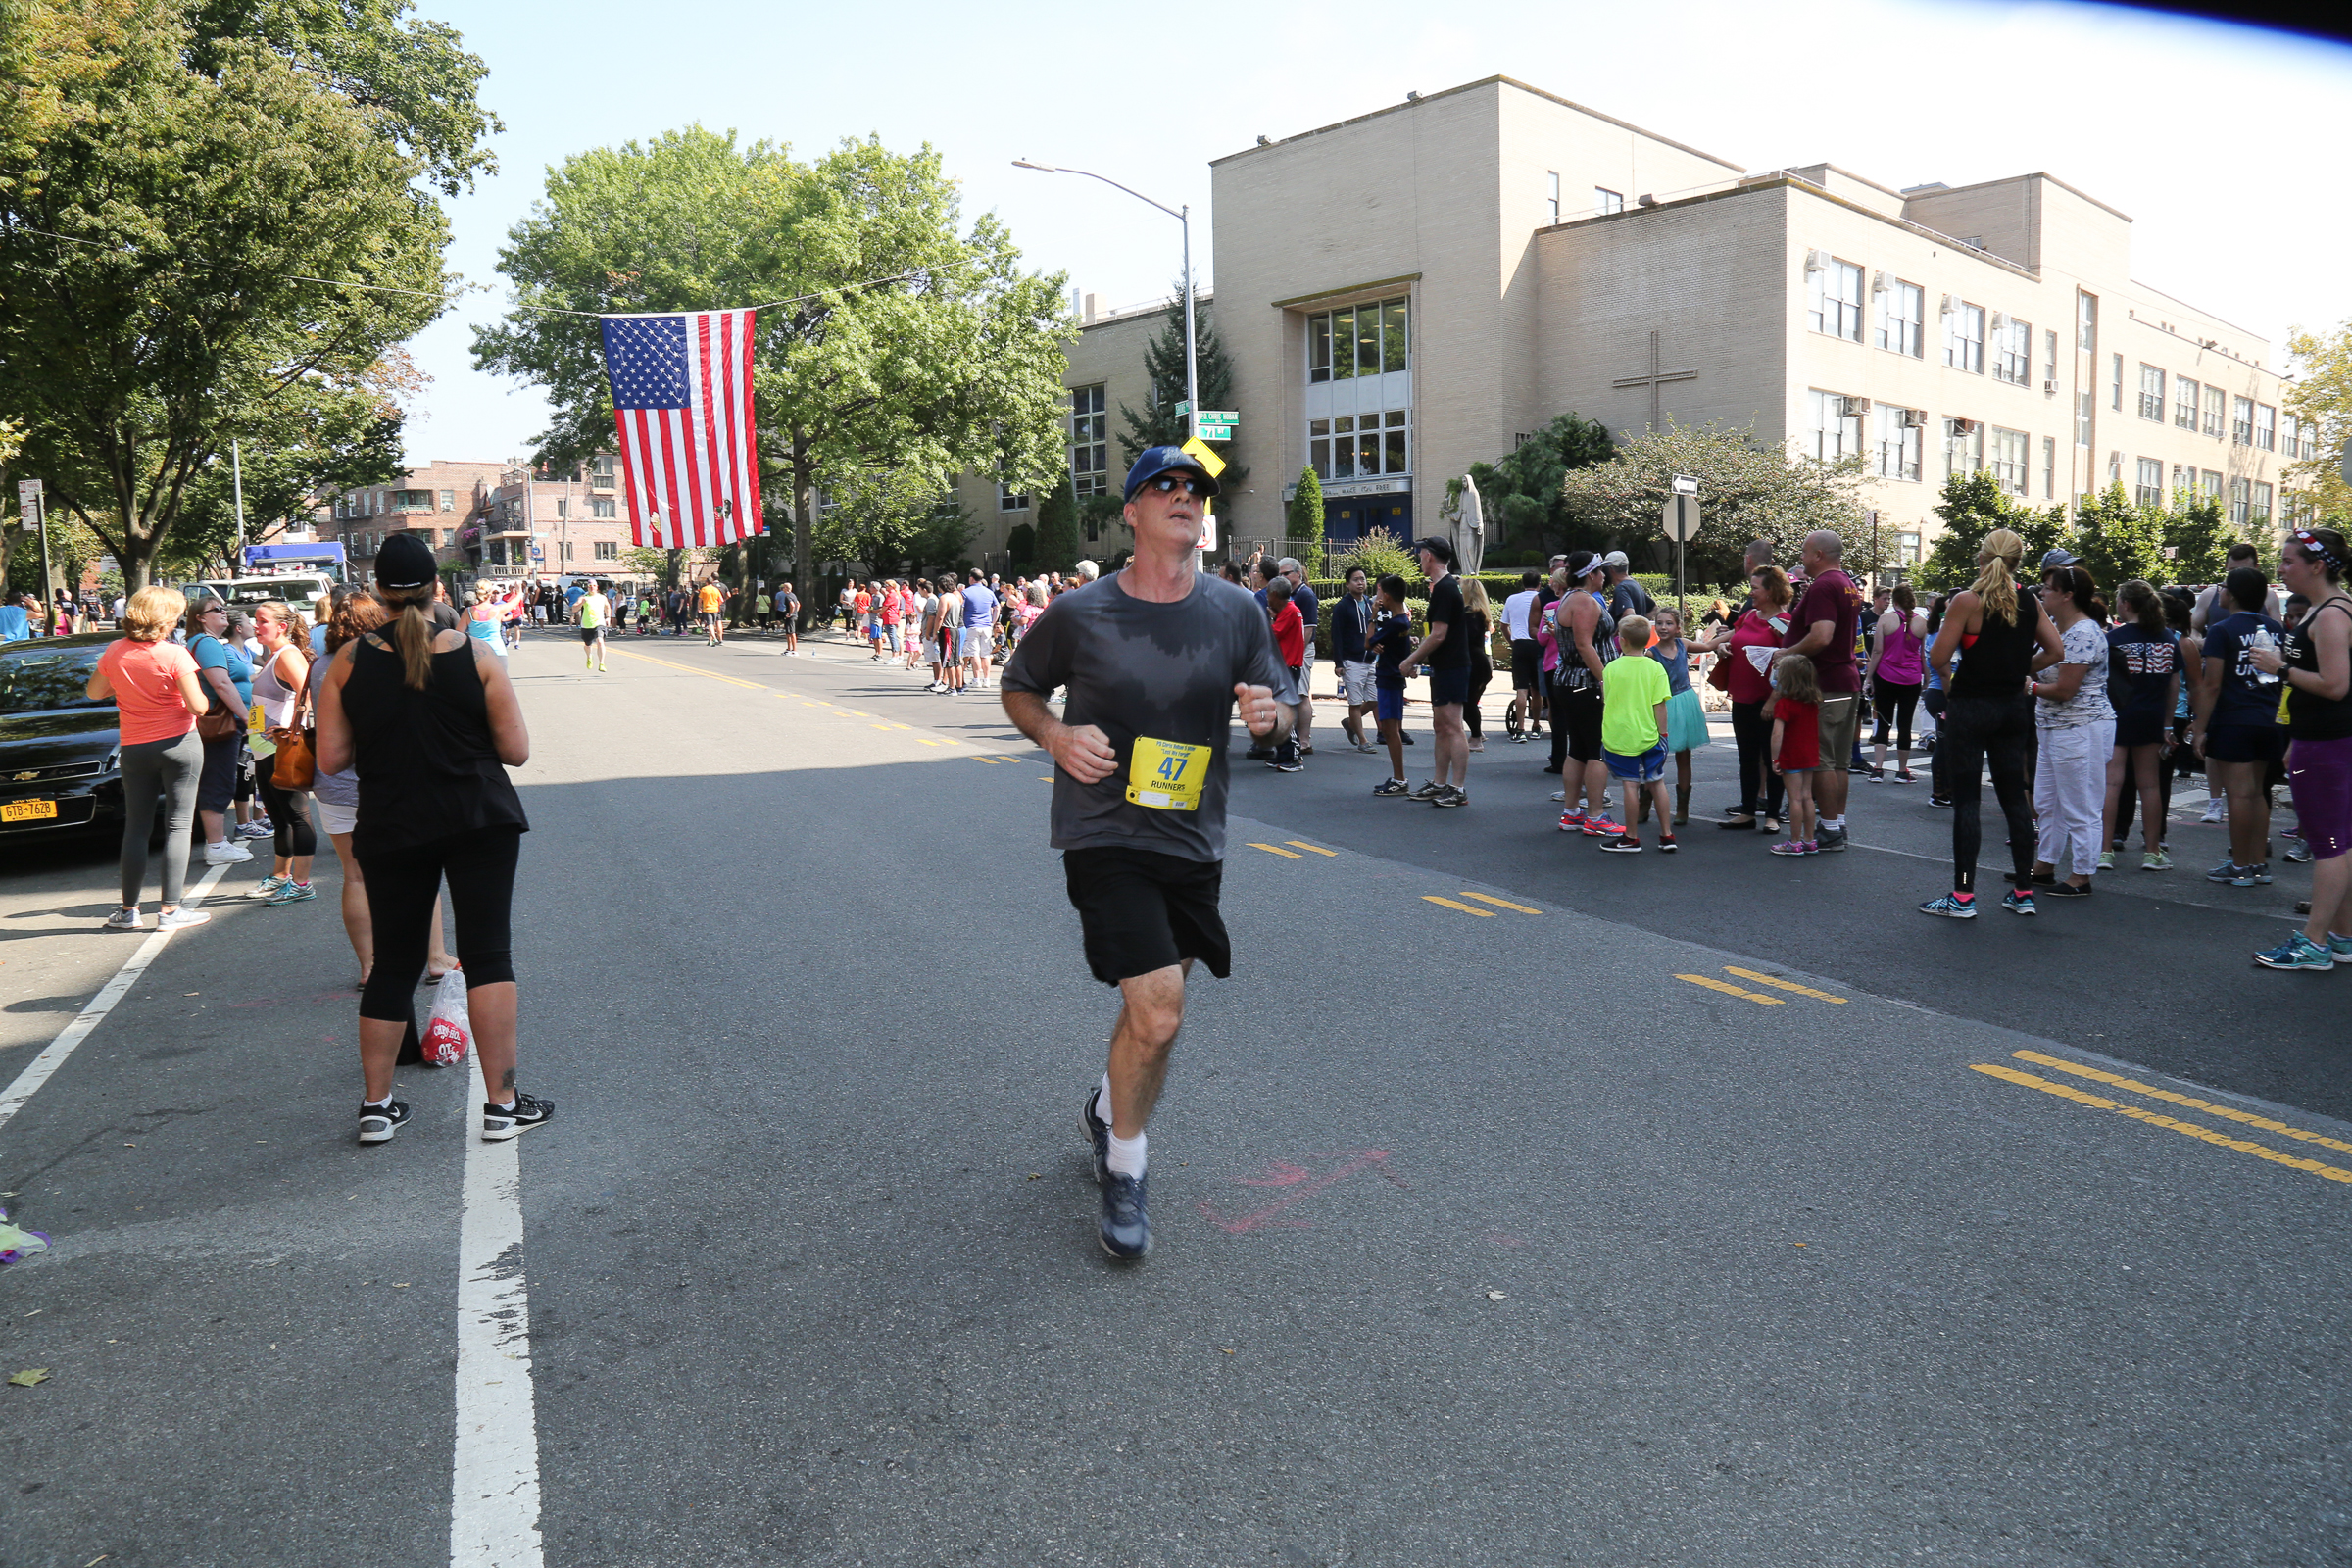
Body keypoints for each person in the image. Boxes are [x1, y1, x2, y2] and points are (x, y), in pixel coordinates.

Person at [998, 444, 1291, 1260]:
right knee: (1160, 1010)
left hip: (1192, 837)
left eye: (1194, 487)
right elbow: (1019, 686)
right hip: (1104, 831)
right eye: (1164, 486)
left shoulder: (1236, 611)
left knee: (1151, 1014)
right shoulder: (1082, 612)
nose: (1183, 495)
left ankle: (1106, 1108)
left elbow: (1283, 706)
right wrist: (1057, 736)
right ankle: (1125, 1164)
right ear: (1131, 512)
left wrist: (1274, 718)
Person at [315, 534, 546, 1147]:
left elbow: (331, 760)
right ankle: (502, 1105)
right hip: (479, 816)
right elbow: (517, 751)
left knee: (394, 964)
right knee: (489, 957)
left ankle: (376, 1107)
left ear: (378, 593)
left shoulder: (348, 662)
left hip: (392, 822)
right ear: (436, 589)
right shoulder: (477, 655)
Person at [312, 591, 456, 989]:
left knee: (356, 876)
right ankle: (435, 957)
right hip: (390, 779)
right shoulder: (389, 660)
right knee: (421, 869)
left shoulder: (320, 666)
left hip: (334, 784)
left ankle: (370, 967)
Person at [1918, 528, 2064, 918]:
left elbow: (1938, 657)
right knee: (2014, 798)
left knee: (1967, 801)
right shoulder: (2029, 600)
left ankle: (1963, 895)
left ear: (1981, 558)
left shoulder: (1967, 600)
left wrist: (1953, 681)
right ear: (2018, 562)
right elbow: (2056, 650)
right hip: (2013, 707)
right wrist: (2018, 669)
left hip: (1971, 706)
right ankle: (2023, 891)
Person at [2248, 527, 2352, 968]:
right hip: (2324, 741)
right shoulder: (2331, 609)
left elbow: (2335, 685)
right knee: (2341, 842)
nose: (2282, 568)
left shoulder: (2331, 615)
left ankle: (2314, 943)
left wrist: (2280, 667)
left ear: (2317, 566)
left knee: (2329, 843)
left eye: (2289, 561)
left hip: (2328, 743)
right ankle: (2343, 937)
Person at [86, 586, 211, 932]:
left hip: (135, 747)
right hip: (179, 744)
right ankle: (170, 911)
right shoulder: (175, 654)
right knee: (178, 825)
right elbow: (198, 706)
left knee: (137, 828)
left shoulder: (115, 650)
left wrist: (126, 687)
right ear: (166, 619)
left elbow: (94, 691)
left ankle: (129, 911)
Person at [2191, 565, 2287, 890]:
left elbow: (2212, 684)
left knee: (2238, 795)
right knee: (2258, 792)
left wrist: (2200, 728)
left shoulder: (2222, 630)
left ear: (2230, 595)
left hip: (2234, 719)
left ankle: (2240, 866)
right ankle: (2259, 865)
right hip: (2269, 718)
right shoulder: (2275, 628)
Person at [2026, 564, 2114, 899]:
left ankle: (2081, 875)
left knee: (2081, 805)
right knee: (2048, 801)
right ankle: (2045, 865)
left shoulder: (2083, 633)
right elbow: (2033, 665)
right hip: (2055, 726)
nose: (2042, 592)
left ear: (2068, 595)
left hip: (2081, 727)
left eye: (2049, 587)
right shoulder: (2060, 631)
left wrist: (2029, 687)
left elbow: (2065, 689)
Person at [1774, 530, 1865, 851]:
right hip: (1846, 679)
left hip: (1825, 682)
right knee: (1839, 761)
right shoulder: (1848, 584)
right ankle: (1837, 823)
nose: (1801, 558)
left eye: (1804, 552)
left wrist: (1787, 653)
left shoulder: (1824, 586)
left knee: (1823, 760)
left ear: (1818, 555)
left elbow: (1822, 636)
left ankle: (1829, 830)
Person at [1694, 564, 1790, 834]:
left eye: (1755, 588)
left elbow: (1788, 664)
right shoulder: (1749, 616)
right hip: (1743, 697)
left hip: (1768, 699)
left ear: (1771, 591)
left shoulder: (1783, 622)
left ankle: (1772, 815)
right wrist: (1724, 646)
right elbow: (1733, 639)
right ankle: (1748, 811)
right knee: (1747, 758)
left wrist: (1773, 700)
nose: (1751, 593)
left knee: (1772, 758)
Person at [2101, 580, 2181, 872]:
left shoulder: (2114, 638)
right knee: (2150, 785)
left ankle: (2104, 850)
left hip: (2117, 714)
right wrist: (2168, 724)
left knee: (2112, 783)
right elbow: (2174, 684)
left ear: (2126, 604)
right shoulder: (2167, 639)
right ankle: (2152, 851)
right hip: (2151, 716)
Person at [248, 600, 318, 906]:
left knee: (297, 816)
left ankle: (301, 883)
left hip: (282, 749)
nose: (256, 626)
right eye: (255, 620)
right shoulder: (273, 655)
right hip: (263, 748)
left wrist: (292, 728)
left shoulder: (288, 655)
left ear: (282, 627)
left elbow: (309, 694)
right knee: (279, 817)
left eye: (262, 621)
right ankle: (280, 875)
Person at [1396, 537, 1470, 807]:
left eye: (1420, 554)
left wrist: (1410, 660)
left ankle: (1458, 788)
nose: (1419, 558)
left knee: (1453, 726)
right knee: (1441, 726)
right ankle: (1439, 783)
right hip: (1445, 665)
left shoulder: (1445, 588)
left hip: (1453, 666)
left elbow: (1439, 634)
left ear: (1428, 555)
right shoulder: (1444, 587)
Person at [1550, 552, 1618, 837]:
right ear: (1591, 574)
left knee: (1577, 748)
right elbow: (1583, 644)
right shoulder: (1585, 602)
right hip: (1586, 684)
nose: (1605, 576)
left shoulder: (1569, 598)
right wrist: (1606, 680)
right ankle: (1595, 816)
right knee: (1597, 750)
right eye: (1601, 571)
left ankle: (1571, 813)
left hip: (1569, 681)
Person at [185, 597, 256, 867]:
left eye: (224, 608)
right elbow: (222, 684)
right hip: (222, 724)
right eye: (216, 610)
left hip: (226, 723)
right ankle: (216, 845)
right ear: (200, 617)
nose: (223, 612)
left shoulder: (206, 642)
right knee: (219, 780)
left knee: (222, 778)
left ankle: (217, 842)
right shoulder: (207, 643)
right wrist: (247, 717)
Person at [1597, 613, 1676, 853]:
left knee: (1630, 785)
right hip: (1650, 735)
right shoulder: (1656, 668)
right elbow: (1659, 705)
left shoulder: (1611, 668)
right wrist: (1663, 734)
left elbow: (1607, 700)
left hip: (1620, 735)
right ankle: (1667, 835)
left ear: (1622, 640)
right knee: (1657, 782)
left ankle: (1631, 837)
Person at [1648, 605, 1706, 824]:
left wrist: (1733, 631)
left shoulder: (1683, 644)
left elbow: (1709, 645)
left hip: (1684, 702)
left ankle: (1683, 807)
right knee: (1654, 755)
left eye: (1668, 623)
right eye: (1659, 623)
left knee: (1684, 756)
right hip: (1662, 704)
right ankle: (1645, 801)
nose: (1663, 627)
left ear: (1678, 628)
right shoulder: (1651, 653)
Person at [1864, 584, 1928, 783]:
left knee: (1884, 722)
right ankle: (1902, 771)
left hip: (1885, 676)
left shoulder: (1885, 620)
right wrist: (1926, 678)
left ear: (1895, 601)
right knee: (1905, 724)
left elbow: (1877, 651)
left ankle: (1878, 769)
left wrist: (1869, 677)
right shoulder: (1922, 623)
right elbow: (1923, 655)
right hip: (1911, 678)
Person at [1769, 653, 1823, 855]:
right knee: (1807, 797)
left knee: (1795, 799)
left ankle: (1794, 841)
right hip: (1810, 754)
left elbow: (1777, 734)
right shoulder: (1812, 703)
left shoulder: (1784, 704)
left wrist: (1775, 758)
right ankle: (1809, 839)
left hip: (1791, 755)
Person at [1367, 574, 1415, 794]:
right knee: (1390, 728)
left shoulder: (1395, 623)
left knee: (1390, 729)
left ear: (1386, 595)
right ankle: (1399, 777)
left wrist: (1373, 617)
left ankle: (1399, 778)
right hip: (1393, 677)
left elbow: (1368, 642)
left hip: (1388, 677)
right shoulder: (1402, 621)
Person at [1328, 565, 1378, 752]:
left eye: (1363, 579)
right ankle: (1363, 740)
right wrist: (1338, 662)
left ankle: (1350, 723)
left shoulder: (1370, 603)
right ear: (1348, 584)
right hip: (1352, 660)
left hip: (1371, 658)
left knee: (1375, 699)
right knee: (1355, 702)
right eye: (1356, 580)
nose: (1360, 583)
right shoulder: (1342, 606)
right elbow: (1337, 635)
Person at [2192, 541, 2283, 632]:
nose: (2238, 575)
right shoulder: (2209, 595)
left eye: (2245, 570)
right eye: (2233, 570)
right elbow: (2193, 628)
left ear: (2256, 567)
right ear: (2226, 566)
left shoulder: (2268, 596)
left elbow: (2278, 630)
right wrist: (2199, 639)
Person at [1277, 558, 1319, 755]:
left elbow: (1308, 630)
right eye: (1280, 574)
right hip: (1291, 651)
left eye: (1286, 573)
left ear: (1298, 574)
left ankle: (1304, 741)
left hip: (1302, 649)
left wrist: (1297, 653)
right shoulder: (1290, 594)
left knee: (1301, 694)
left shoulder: (1305, 595)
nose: (1283, 577)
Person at [1265, 576, 1306, 772]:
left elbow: (1271, 635)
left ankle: (1292, 756)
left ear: (1274, 594)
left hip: (1287, 669)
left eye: (1268, 594)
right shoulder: (1290, 611)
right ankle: (1283, 753)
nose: (1267, 598)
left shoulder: (1290, 611)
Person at [1502, 570, 1544, 740]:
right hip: (1537, 643)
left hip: (1520, 644)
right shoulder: (1542, 598)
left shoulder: (1512, 599)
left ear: (1522, 583)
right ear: (1539, 584)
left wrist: (1513, 643)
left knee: (1521, 688)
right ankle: (1536, 726)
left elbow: (1504, 625)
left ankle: (1520, 729)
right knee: (1537, 690)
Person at [1460, 576, 1494, 753]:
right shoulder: (1481, 613)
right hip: (1481, 662)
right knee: (1470, 701)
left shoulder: (1469, 615)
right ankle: (1477, 733)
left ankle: (1476, 738)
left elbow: (1464, 640)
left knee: (1467, 702)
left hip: (1472, 663)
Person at [961, 569, 998, 691]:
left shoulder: (966, 592)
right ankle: (986, 679)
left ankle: (976, 679)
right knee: (985, 654)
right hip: (986, 626)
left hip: (972, 625)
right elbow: (997, 607)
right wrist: (992, 622)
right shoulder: (989, 592)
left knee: (974, 653)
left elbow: (961, 609)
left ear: (971, 578)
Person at [576, 578, 610, 673]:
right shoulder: (583, 597)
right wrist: (581, 603)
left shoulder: (602, 597)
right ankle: (589, 656)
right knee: (587, 645)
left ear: (597, 587)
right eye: (590, 586)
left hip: (599, 623)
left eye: (594, 586)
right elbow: (574, 608)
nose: (592, 588)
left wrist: (608, 617)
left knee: (600, 641)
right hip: (586, 625)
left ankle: (601, 663)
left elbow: (607, 606)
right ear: (587, 587)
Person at [698, 578, 726, 646]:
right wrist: (717, 604)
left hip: (707, 609)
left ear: (706, 582)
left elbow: (699, 600)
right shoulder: (716, 589)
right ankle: (710, 641)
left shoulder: (704, 589)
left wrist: (699, 607)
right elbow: (722, 600)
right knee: (713, 624)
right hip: (715, 609)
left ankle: (715, 638)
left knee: (710, 624)